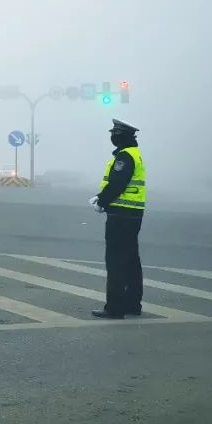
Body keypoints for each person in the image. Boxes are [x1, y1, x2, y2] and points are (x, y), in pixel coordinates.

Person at [91, 119, 145, 319]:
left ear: (122, 136)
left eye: (115, 133)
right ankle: (132, 304)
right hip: (133, 214)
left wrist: (101, 201)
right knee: (131, 260)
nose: (112, 137)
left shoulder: (124, 156)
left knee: (116, 261)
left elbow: (118, 183)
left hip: (121, 214)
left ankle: (114, 307)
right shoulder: (134, 154)